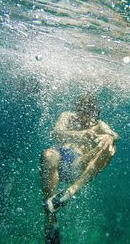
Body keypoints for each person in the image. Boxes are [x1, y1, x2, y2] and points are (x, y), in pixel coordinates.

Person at [40, 93, 119, 243]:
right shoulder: (67, 116)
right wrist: (80, 134)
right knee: (48, 154)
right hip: (61, 158)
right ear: (77, 108)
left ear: (94, 110)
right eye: (82, 109)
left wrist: (109, 137)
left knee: (111, 147)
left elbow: (115, 135)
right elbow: (56, 133)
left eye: (89, 110)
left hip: (80, 163)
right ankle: (51, 216)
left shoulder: (99, 125)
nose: (85, 114)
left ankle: (71, 191)